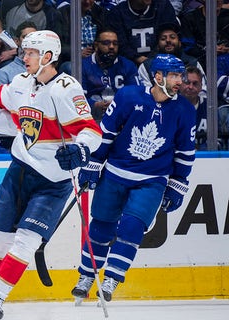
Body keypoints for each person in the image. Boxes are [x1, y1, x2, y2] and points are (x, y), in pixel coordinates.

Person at [0, 30, 102, 319]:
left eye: (30, 53)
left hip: (53, 182)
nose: (23, 57)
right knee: (0, 238)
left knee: (27, 239)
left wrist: (80, 151)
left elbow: (91, 130)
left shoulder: (66, 89)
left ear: (48, 57)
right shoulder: (20, 82)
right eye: (24, 52)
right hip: (20, 170)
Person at [71, 54, 196, 303]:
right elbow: (105, 132)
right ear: (157, 76)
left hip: (152, 180)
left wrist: (178, 183)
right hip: (116, 172)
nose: (179, 81)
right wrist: (93, 163)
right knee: (101, 226)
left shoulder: (184, 109)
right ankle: (86, 275)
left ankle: (112, 279)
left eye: (180, 76)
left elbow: (185, 152)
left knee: (132, 227)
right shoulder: (129, 96)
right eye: (173, 76)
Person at [82, 27, 139, 122]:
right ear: (96, 46)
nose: (112, 47)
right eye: (106, 43)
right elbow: (77, 99)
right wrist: (95, 105)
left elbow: (136, 96)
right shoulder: (83, 66)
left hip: (121, 116)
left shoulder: (128, 66)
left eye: (115, 44)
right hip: (91, 117)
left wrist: (120, 104)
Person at [137, 23, 207, 98]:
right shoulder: (147, 66)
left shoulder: (193, 63)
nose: (168, 40)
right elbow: (145, 96)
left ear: (180, 42)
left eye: (172, 37)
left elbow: (203, 92)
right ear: (158, 45)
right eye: (163, 38)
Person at [106, 0, 178, 66]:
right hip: (128, 64)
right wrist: (138, 58)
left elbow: (169, 37)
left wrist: (153, 60)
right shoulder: (117, 13)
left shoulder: (163, 6)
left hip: (162, 60)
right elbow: (120, 43)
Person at [0, 21, 36, 85]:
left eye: (34, 36)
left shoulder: (46, 68)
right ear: (17, 41)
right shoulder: (4, 73)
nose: (30, 40)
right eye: (25, 37)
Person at [180, 65, 208, 150]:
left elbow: (219, 140)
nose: (191, 87)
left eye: (195, 84)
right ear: (180, 84)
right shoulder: (170, 107)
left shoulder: (209, 107)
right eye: (187, 83)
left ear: (201, 86)